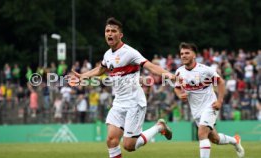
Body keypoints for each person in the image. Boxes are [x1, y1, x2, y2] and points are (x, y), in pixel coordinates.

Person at [71, 17, 174, 158]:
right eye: (107, 31)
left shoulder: (130, 52)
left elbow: (150, 66)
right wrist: (84, 76)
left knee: (129, 146)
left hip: (134, 102)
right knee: (111, 140)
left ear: (120, 35)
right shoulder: (108, 54)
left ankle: (159, 127)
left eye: (114, 31)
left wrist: (169, 75)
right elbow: (101, 69)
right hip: (119, 102)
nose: (110, 34)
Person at [174, 42, 245, 158]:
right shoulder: (179, 72)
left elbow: (221, 82)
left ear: (194, 55)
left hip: (210, 106)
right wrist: (179, 95)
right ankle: (235, 141)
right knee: (214, 139)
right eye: (182, 53)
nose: (183, 55)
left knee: (201, 133)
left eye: (187, 53)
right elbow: (176, 88)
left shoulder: (206, 70)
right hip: (196, 110)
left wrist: (220, 101)